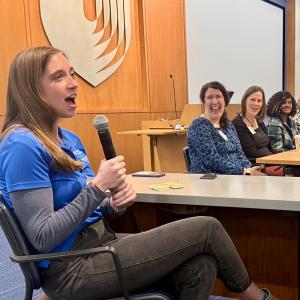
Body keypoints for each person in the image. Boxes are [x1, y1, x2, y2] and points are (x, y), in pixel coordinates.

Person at [0, 47, 276, 300]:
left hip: (101, 241)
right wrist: (97, 189)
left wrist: (111, 204)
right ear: (31, 89)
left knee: (201, 266)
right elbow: (42, 236)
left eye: (72, 74)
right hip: (71, 266)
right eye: (59, 76)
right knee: (207, 228)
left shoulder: (68, 138)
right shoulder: (22, 144)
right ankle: (260, 298)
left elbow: (88, 208)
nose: (74, 83)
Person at [187, 81, 264, 176]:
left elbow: (239, 153)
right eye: (210, 97)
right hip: (211, 181)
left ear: (225, 101)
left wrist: (249, 169)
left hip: (236, 179)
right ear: (204, 102)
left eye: (218, 96)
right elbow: (212, 160)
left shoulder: (228, 125)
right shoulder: (198, 126)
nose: (215, 101)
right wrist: (245, 172)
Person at [232, 86, 272, 160]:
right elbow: (251, 153)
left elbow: (269, 147)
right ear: (245, 101)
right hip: (255, 165)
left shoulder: (259, 122)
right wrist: (273, 159)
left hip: (270, 161)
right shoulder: (237, 123)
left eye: (259, 101)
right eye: (252, 100)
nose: (256, 104)